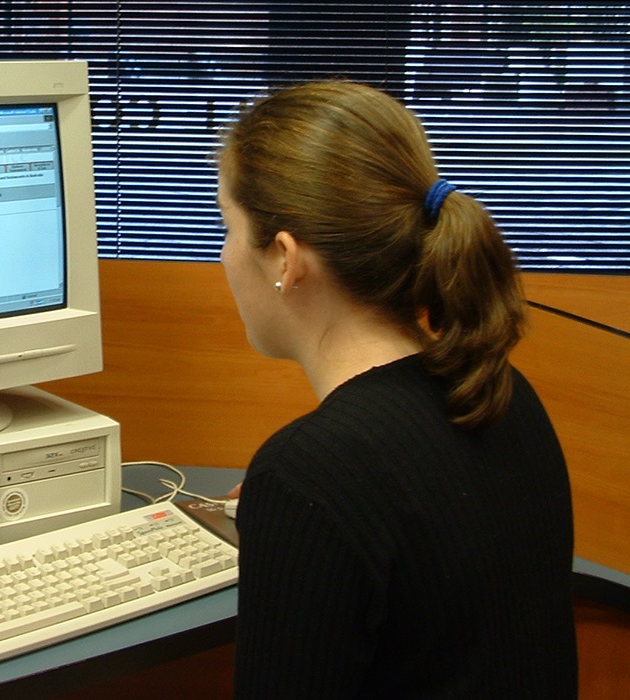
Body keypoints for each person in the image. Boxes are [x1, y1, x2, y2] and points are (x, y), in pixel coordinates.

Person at [215, 81, 577, 698]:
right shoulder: (506, 395)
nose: (223, 255)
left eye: (227, 226)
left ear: (284, 258)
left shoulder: (311, 475)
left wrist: (300, 510)